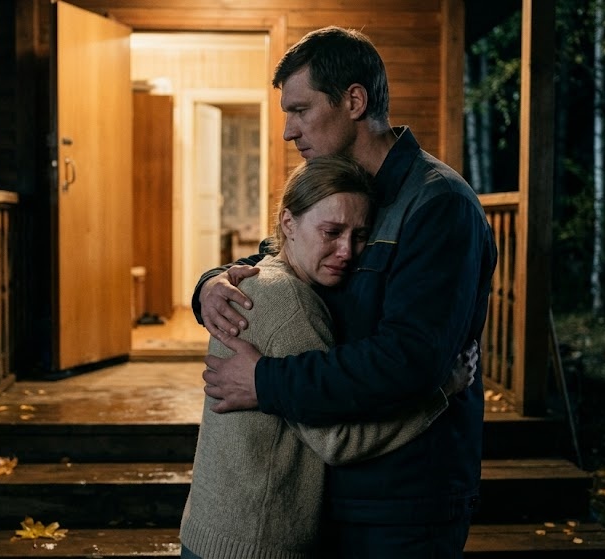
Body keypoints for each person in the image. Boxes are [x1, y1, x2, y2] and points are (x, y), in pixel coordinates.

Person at [194, 27, 498, 558]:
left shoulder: (439, 205)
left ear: (354, 101)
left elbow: (407, 360)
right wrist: (209, 286)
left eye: (300, 110)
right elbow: (277, 259)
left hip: (403, 498)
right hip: (331, 492)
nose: (288, 131)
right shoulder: (345, 187)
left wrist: (265, 381)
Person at [179, 155, 477, 559]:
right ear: (288, 224)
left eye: (360, 236)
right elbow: (340, 441)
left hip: (210, 531)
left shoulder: (253, 281)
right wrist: (442, 390)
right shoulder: (290, 304)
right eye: (332, 232)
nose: (347, 251)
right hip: (256, 544)